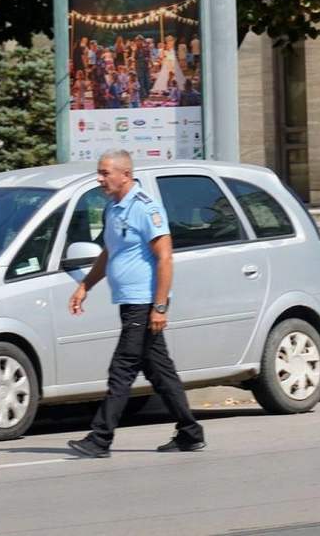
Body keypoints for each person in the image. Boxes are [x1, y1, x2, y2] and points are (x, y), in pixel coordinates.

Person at [67, 150, 206, 458]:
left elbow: (165, 258)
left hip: (143, 302)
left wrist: (160, 306)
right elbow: (109, 253)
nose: (100, 179)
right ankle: (190, 432)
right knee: (159, 371)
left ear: (125, 174)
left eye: (105, 173)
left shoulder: (146, 209)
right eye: (99, 172)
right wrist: (85, 286)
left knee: (122, 368)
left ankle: (100, 438)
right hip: (129, 302)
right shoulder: (113, 209)